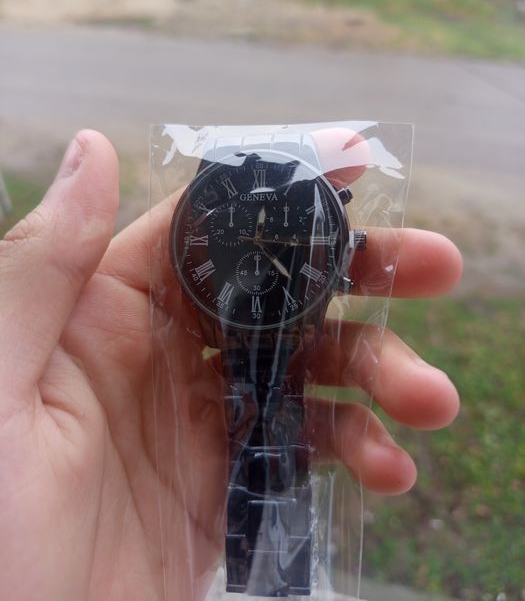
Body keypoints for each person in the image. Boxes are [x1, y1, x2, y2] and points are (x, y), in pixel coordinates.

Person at [0, 130, 462, 601]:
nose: (259, 240)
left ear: (346, 252)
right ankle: (265, 572)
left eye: (268, 235)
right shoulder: (229, 234)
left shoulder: (242, 219)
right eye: (249, 236)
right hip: (243, 321)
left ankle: (265, 572)